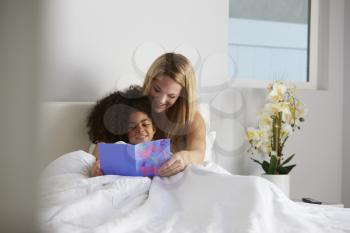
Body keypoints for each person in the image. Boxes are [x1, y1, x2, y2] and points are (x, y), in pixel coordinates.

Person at [143, 52, 206, 177]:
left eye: (171, 96)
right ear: (149, 82)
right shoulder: (134, 107)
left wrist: (184, 158)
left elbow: (199, 153)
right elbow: (102, 148)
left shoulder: (192, 118)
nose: (160, 100)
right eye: (156, 89)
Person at [87, 85, 157, 176]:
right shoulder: (116, 146)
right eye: (132, 127)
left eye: (145, 124)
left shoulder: (159, 148)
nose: (140, 130)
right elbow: (98, 158)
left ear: (154, 128)